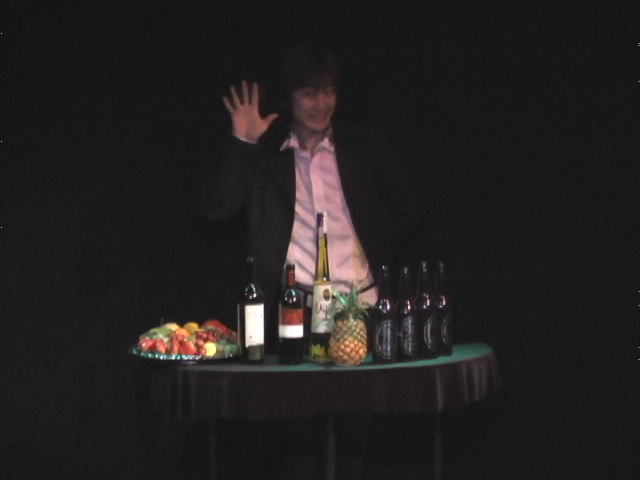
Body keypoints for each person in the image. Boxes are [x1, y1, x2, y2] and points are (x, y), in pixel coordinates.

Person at [203, 44, 415, 352]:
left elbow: (405, 211)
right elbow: (217, 209)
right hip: (295, 314)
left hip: (362, 309)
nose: (321, 104)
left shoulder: (362, 151)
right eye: (309, 94)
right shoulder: (270, 158)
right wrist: (244, 142)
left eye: (328, 92)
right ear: (290, 98)